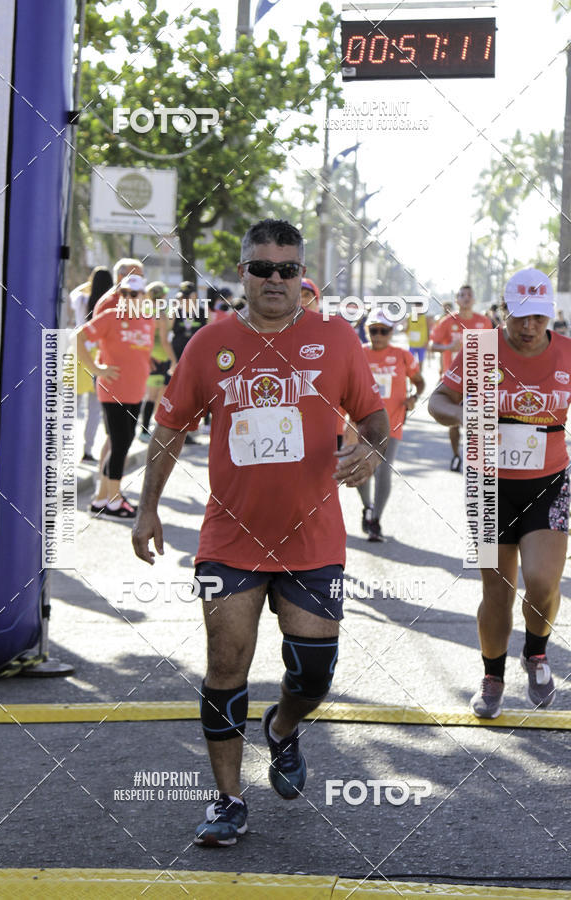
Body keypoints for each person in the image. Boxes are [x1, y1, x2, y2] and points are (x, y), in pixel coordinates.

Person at [132, 219, 389, 846]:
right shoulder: (210, 342)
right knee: (225, 663)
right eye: (262, 268)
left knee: (313, 673)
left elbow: (375, 420)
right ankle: (228, 799)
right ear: (242, 273)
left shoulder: (335, 338)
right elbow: (170, 428)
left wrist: (372, 452)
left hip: (313, 538)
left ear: (302, 276)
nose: (276, 279)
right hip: (230, 536)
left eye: (288, 269)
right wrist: (146, 507)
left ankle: (281, 727)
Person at [428, 268, 569, 718]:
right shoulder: (481, 349)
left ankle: (536, 652)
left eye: (539, 317)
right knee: (498, 589)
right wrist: (465, 413)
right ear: (504, 311)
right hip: (488, 485)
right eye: (520, 316)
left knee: (543, 582)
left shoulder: (566, 352)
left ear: (550, 314)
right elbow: (437, 401)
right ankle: (492, 677)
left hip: (549, 483)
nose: (529, 327)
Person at [76, 274, 155, 519]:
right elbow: (79, 337)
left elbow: (140, 352)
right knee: (120, 444)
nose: (128, 298)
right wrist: (96, 368)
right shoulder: (111, 316)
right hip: (113, 390)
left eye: (134, 294)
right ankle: (113, 501)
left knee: (124, 442)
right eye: (124, 294)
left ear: (144, 296)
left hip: (136, 390)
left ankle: (102, 499)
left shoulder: (148, 319)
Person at [346, 310, 425, 542]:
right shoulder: (357, 353)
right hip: (361, 423)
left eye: (384, 331)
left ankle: (376, 520)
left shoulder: (402, 355)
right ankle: (367, 507)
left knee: (383, 471)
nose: (378, 335)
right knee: (359, 470)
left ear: (391, 332)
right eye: (373, 330)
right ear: (366, 330)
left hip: (392, 422)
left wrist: (414, 397)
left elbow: (419, 381)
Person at [429, 285, 492, 471]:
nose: (466, 298)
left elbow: (492, 349)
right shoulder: (448, 321)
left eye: (469, 295)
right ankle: (456, 454)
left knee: (476, 417)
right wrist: (448, 347)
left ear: (474, 300)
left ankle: (475, 460)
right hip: (453, 379)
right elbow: (432, 346)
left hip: (478, 379)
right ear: (457, 300)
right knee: (455, 422)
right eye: (462, 295)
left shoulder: (484, 322)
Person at [70, 267, 113, 462]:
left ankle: (63, 448)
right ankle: (87, 451)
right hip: (99, 355)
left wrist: (89, 284)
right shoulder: (107, 305)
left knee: (72, 405)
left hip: (79, 352)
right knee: (94, 409)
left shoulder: (81, 299)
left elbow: (73, 293)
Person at [139, 282, 177, 442]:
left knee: (155, 395)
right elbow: (165, 341)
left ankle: (149, 428)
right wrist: (174, 360)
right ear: (162, 296)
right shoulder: (160, 314)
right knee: (153, 396)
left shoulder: (143, 310)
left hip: (148, 356)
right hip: (159, 357)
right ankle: (144, 430)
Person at [404, 301, 432, 373]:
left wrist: (428, 341)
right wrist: (404, 330)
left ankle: (420, 375)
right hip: (412, 344)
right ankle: (411, 376)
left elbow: (428, 330)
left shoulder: (425, 318)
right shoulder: (409, 317)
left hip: (422, 344)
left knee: (421, 362)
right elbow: (407, 328)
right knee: (410, 362)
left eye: (419, 307)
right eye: (415, 306)